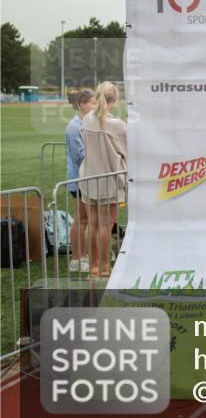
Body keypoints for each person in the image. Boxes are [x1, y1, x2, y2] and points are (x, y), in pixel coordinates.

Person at [79, 81, 127, 279]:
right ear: (114, 100)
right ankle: (105, 268)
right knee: (105, 225)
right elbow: (127, 150)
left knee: (92, 224)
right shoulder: (117, 124)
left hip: (89, 177)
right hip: (108, 180)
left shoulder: (87, 119)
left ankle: (94, 267)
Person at [66, 89, 97, 272]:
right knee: (81, 219)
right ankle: (76, 259)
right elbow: (79, 156)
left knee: (87, 219)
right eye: (92, 103)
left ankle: (84, 255)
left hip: (88, 177)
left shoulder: (87, 123)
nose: (95, 106)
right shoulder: (74, 127)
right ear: (81, 105)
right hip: (78, 179)